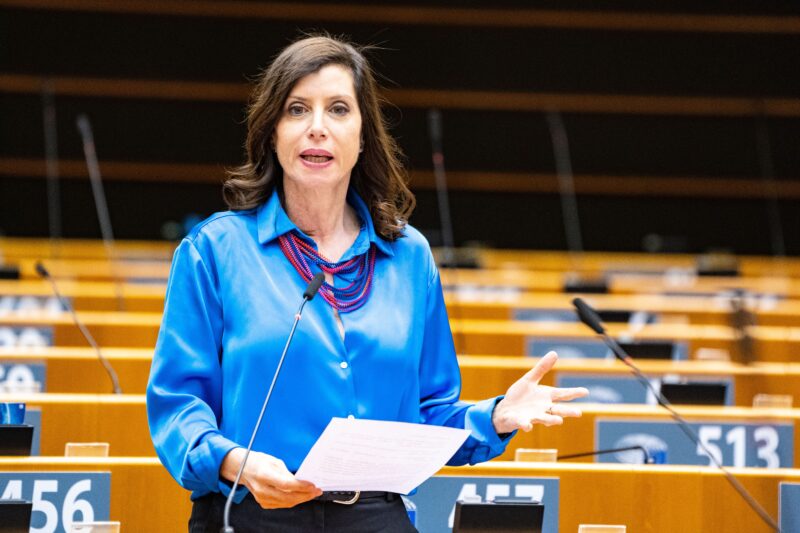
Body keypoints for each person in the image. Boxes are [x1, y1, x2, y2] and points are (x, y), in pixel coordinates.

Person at [146, 35, 588, 533]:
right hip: (252, 513)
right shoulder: (215, 251)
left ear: (362, 137)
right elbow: (179, 406)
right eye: (297, 110)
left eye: (338, 110)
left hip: (378, 517)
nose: (317, 128)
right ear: (272, 132)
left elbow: (427, 415)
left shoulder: (409, 257)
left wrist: (497, 417)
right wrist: (236, 463)